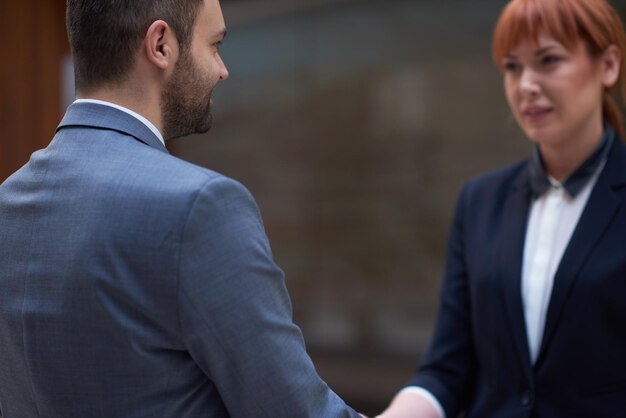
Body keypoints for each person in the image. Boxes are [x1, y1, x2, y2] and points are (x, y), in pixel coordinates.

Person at [0, 1, 364, 417]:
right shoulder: (199, 206)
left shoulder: (8, 201)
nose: (222, 69)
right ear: (160, 45)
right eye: (214, 45)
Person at [376, 0, 626, 417]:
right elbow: (447, 368)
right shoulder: (479, 201)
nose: (526, 84)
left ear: (608, 65)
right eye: (512, 67)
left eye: (548, 60)